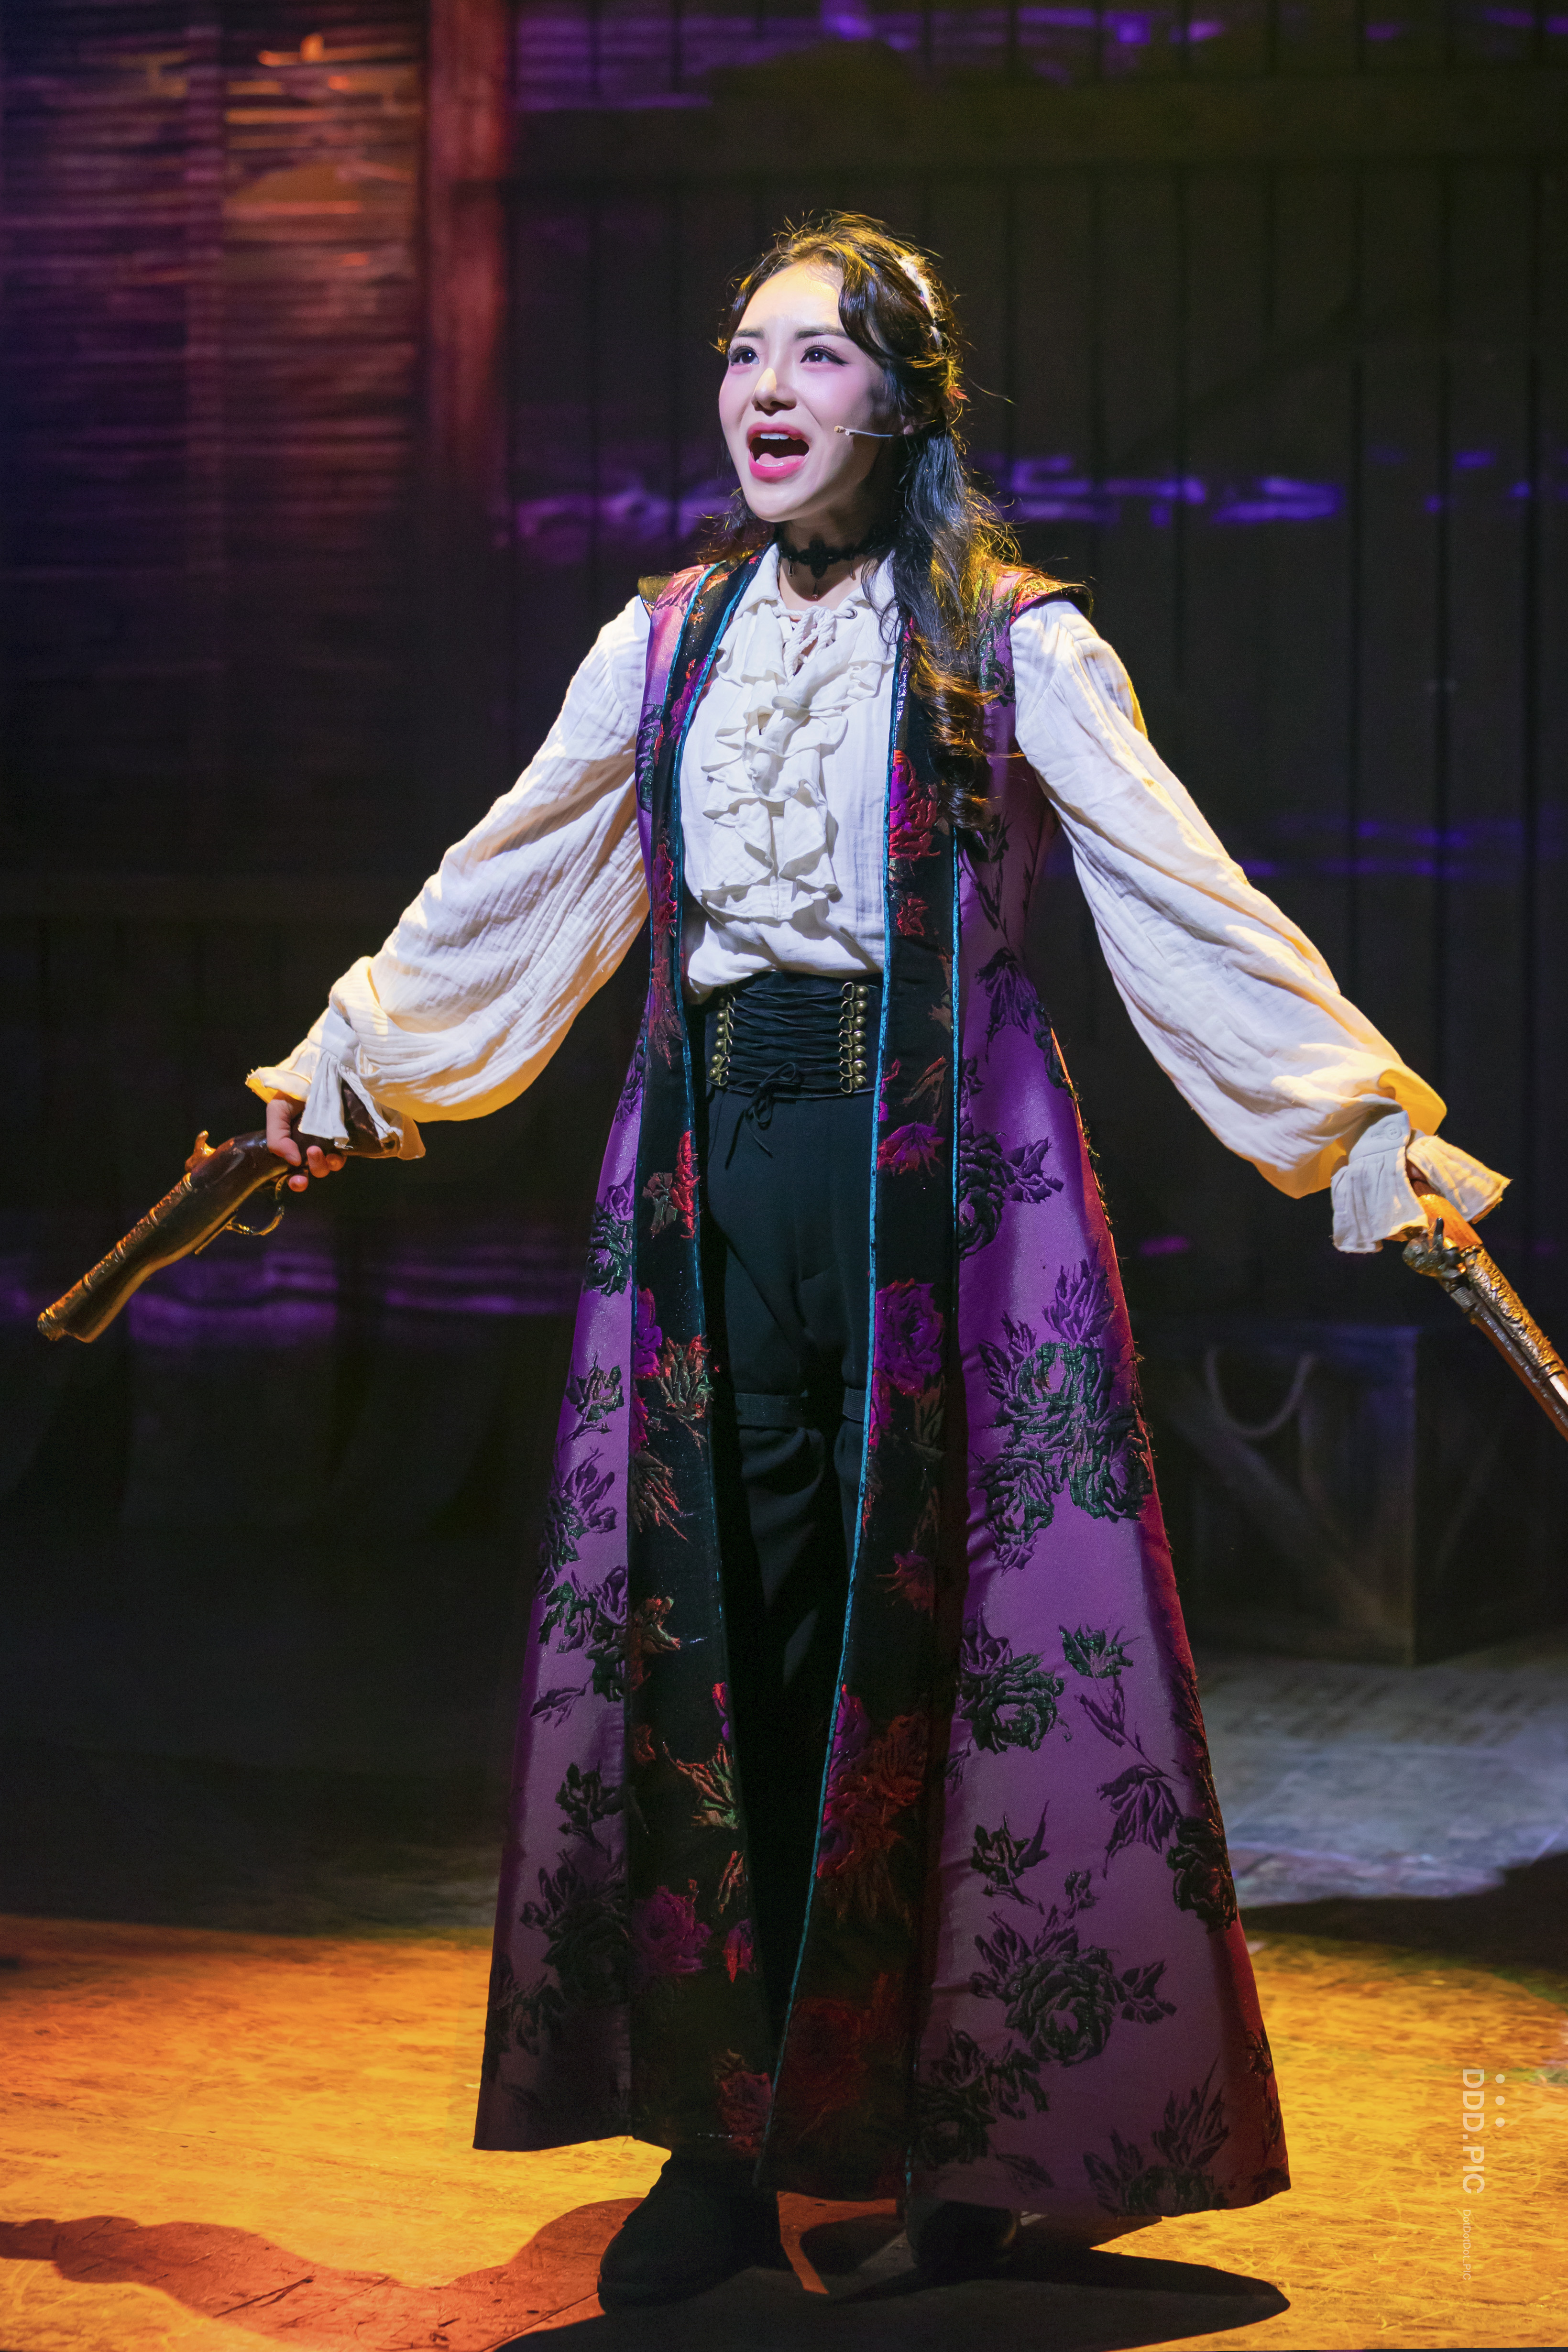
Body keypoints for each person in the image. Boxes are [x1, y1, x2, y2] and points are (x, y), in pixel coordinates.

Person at [252, 214, 1505, 2307]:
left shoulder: (1013, 643)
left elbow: (1182, 896)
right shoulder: (665, 642)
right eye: (745, 352)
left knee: (955, 1653)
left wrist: (1356, 1126)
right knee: (719, 1644)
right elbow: (512, 874)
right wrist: (350, 1063)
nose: (766, 390)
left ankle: (975, 2143)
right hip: (711, 1184)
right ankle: (722, 2137)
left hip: (942, 1192)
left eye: (818, 356)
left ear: (904, 400)